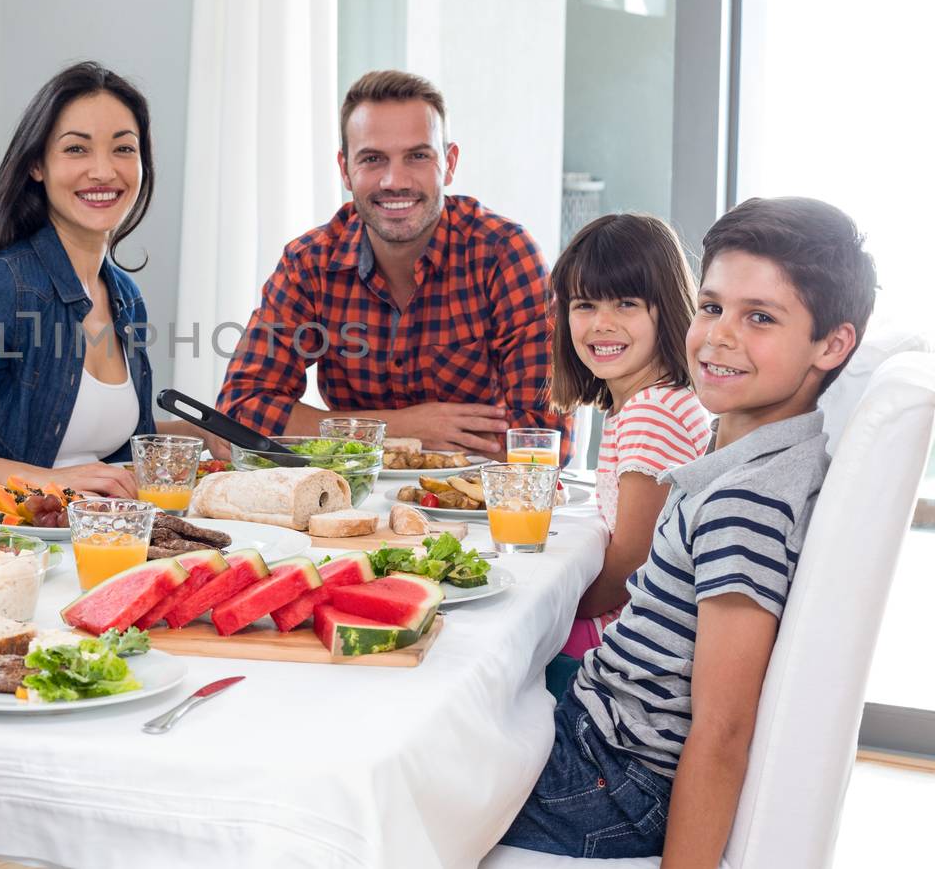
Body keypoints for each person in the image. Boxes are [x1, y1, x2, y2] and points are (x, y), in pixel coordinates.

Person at [500, 197, 875, 861]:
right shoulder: (738, 452)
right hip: (599, 740)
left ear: (832, 343)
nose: (719, 335)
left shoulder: (746, 503)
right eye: (712, 306)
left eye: (759, 316)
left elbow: (723, 728)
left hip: (611, 777)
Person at [0, 61, 218, 498]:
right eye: (76, 149)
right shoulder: (0, 288)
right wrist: (47, 484)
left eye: (123, 149)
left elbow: (83, 436)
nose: (104, 171)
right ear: (37, 165)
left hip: (95, 540)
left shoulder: (125, 296)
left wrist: (190, 433)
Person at [217, 70, 565, 457]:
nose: (394, 180)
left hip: (478, 506)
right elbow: (239, 414)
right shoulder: (309, 263)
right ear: (345, 169)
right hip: (345, 503)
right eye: (372, 159)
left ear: (449, 163)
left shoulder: (504, 255)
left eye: (417, 156)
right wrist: (396, 429)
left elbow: (545, 437)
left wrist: (338, 434)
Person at [545, 214, 711, 693]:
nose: (602, 324)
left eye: (626, 303)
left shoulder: (651, 414)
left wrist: (553, 609)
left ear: (668, 309)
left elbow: (631, 566)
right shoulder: (653, 401)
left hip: (627, 653)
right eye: (585, 305)